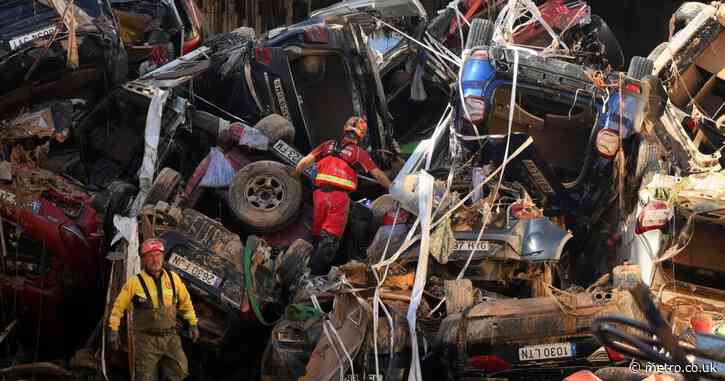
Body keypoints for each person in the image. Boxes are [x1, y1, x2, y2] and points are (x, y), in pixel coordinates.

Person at [294, 116, 392, 275]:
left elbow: (303, 163)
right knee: (330, 240)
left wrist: (294, 176)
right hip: (338, 198)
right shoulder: (359, 153)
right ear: (361, 135)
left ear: (345, 129)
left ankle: (306, 267)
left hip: (319, 195)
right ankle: (316, 276)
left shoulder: (327, 145)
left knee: (319, 234)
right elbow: (378, 175)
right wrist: (393, 188)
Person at [107, 238, 199, 381]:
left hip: (171, 338)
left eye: (157, 255)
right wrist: (113, 330)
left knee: (180, 371)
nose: (154, 260)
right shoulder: (134, 282)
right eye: (150, 256)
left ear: (163, 257)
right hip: (146, 341)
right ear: (143, 259)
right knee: (145, 377)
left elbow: (186, 302)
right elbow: (118, 308)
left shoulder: (173, 278)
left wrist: (193, 324)